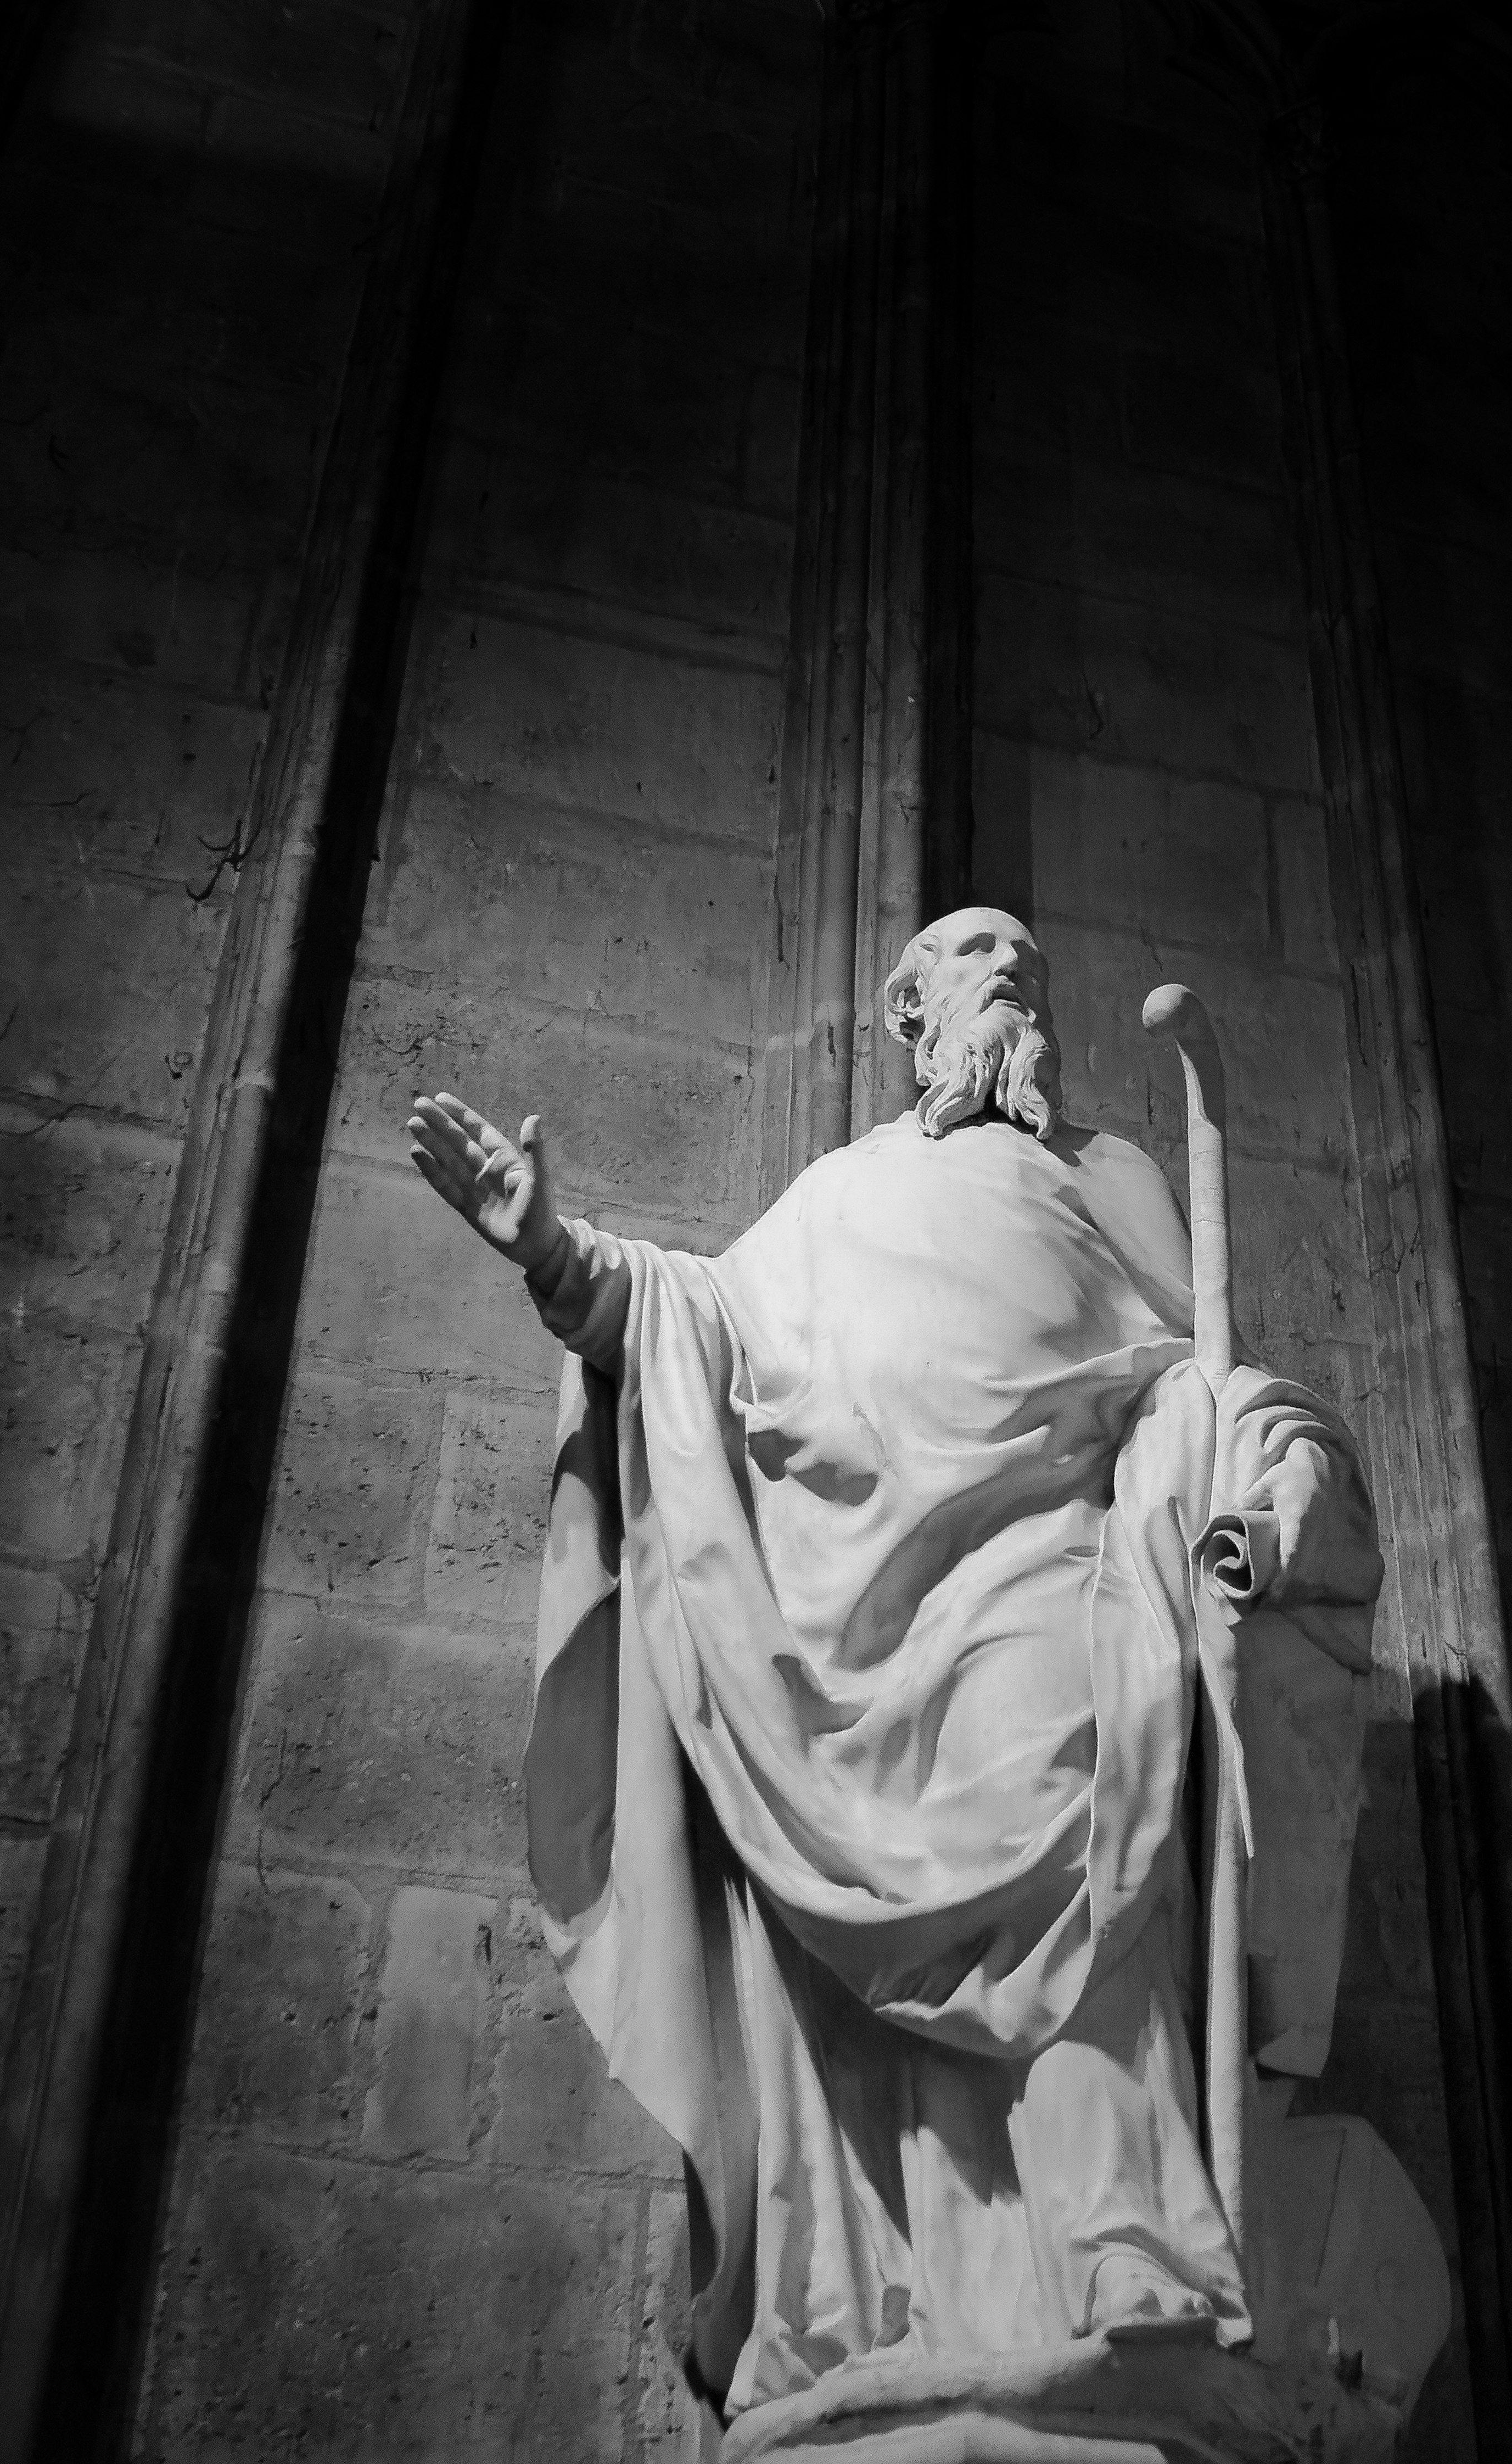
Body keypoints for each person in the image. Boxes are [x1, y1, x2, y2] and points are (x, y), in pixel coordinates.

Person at [407, 908, 1384, 2423]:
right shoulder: (838, 1199)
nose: (1010, 968)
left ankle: (1129, 2266)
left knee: (1086, 1881)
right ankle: (887, 2304)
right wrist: (550, 1248)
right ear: (907, 1015)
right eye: (973, 953)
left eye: (1026, 960)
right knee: (872, 1984)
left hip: (1054, 1587)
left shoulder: (1106, 1174)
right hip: (854, 1633)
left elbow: (1216, 1385)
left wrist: (1264, 1501)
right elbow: (686, 1316)